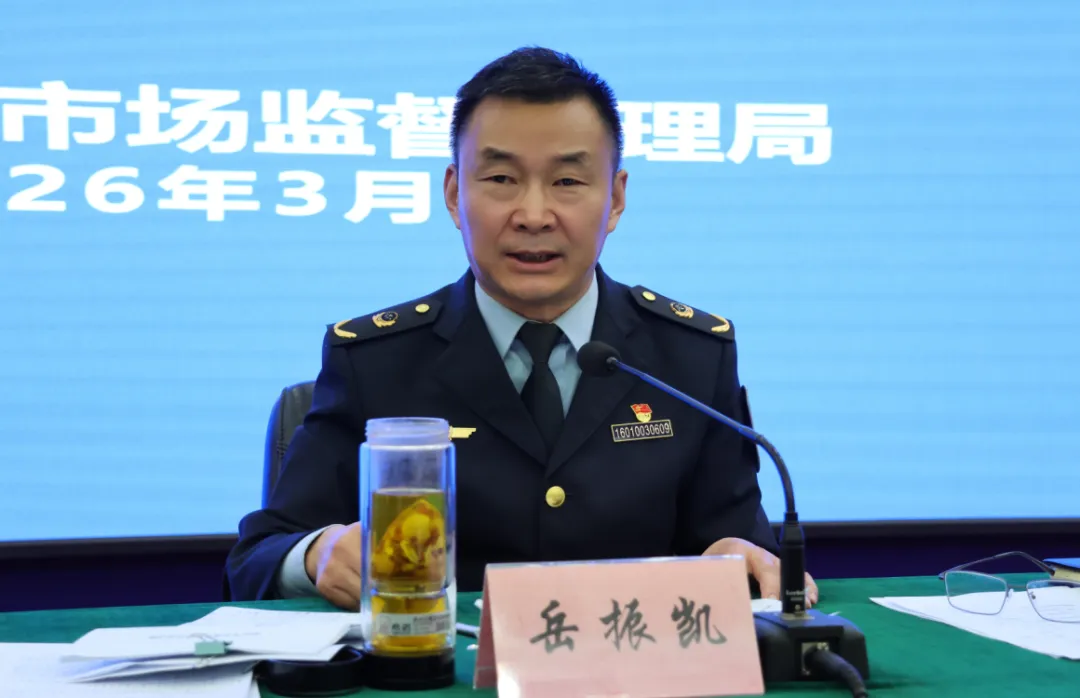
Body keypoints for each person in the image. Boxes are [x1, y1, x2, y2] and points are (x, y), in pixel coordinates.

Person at [225, 46, 818, 610]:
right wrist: (316, 554)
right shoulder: (375, 362)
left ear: (615, 198)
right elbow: (255, 560)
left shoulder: (690, 358)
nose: (533, 216)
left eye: (567, 182)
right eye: (501, 180)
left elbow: (740, 544)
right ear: (454, 194)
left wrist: (742, 555)